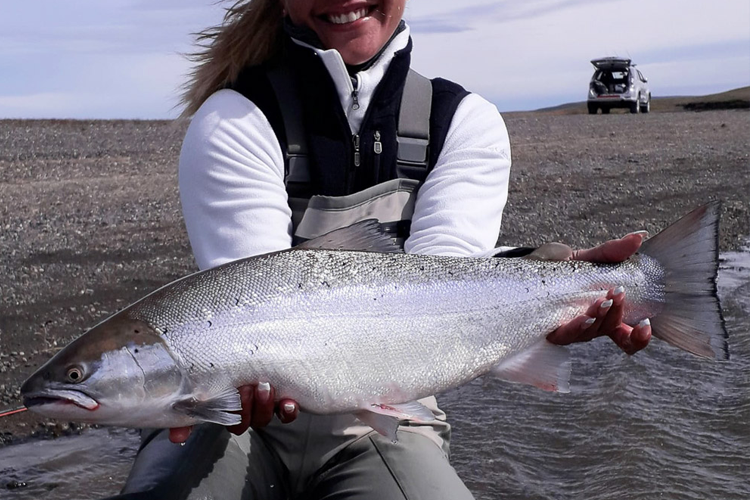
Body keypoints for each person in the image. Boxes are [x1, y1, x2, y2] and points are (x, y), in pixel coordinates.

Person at [111, 1, 652, 498]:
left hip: (390, 412)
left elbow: (446, 291)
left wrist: (548, 289)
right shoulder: (233, 119)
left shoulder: (463, 122)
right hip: (229, 422)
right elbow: (249, 299)